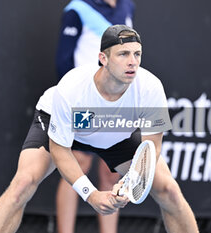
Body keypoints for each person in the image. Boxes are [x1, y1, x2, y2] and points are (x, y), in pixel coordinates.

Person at [0, 25, 199, 233]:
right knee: (23, 184)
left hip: (117, 133)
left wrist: (130, 180)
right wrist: (90, 194)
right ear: (103, 59)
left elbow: (151, 148)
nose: (132, 62)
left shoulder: (151, 87)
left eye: (137, 54)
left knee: (169, 191)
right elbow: (60, 150)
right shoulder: (72, 88)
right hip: (63, 127)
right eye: (123, 54)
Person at [55, 0, 135, 232]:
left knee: (111, 173)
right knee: (77, 164)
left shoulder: (127, 6)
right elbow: (63, 61)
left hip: (118, 103)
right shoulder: (77, 9)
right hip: (85, 102)